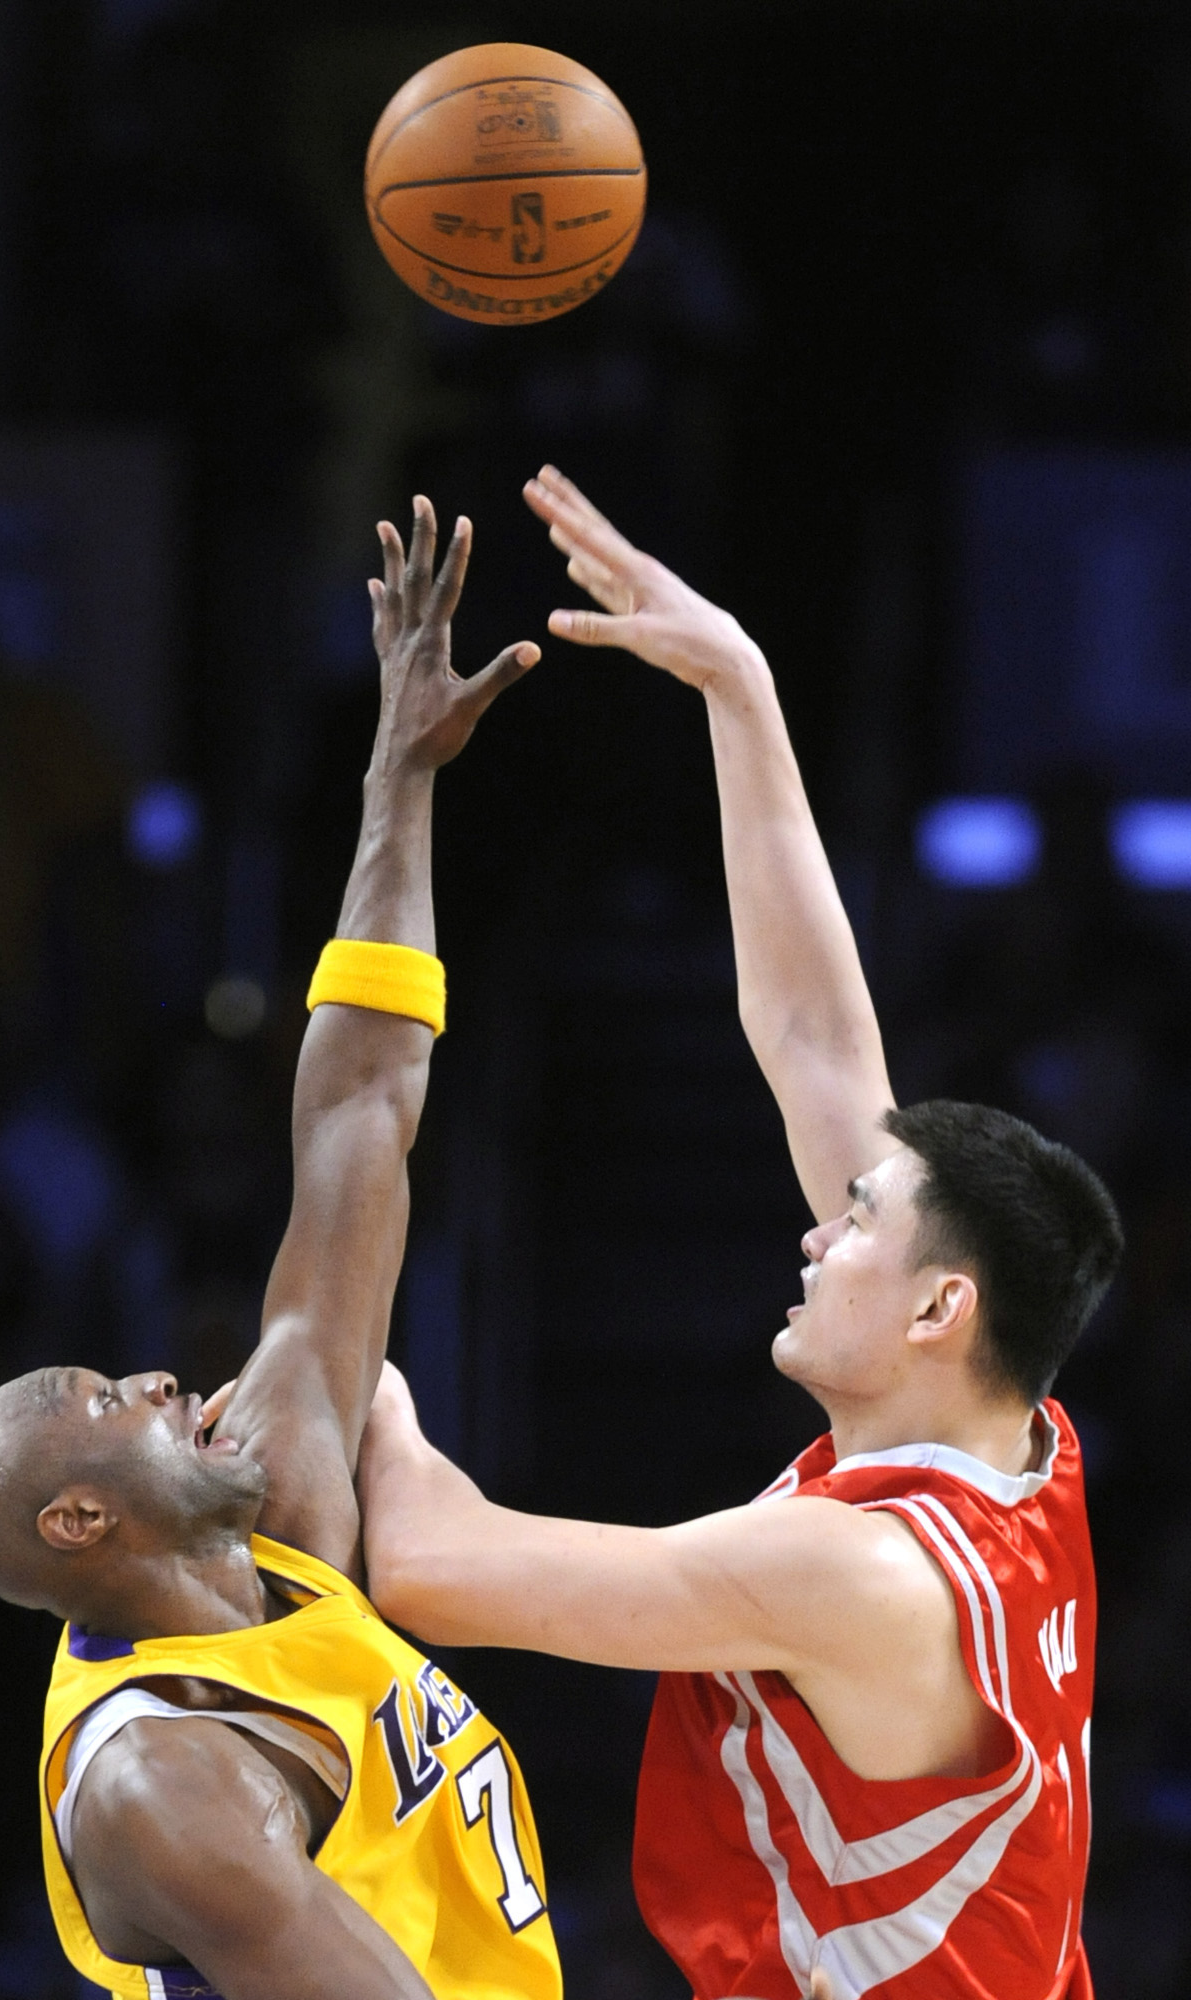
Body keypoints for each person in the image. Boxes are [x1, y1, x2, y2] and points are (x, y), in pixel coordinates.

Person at [359, 469, 1123, 2000]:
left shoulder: (861, 1570)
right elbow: (818, 1046)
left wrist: (350, 1362)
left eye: (852, 1227)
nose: (813, 1237)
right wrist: (740, 685)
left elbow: (440, 1567)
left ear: (933, 1312)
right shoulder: (1014, 1439)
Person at [0, 500, 562, 2000]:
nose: (159, 1376)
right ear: (85, 1524)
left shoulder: (270, 1500)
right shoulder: (163, 1790)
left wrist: (396, 782)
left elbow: (358, 1109)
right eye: (110, 1399)